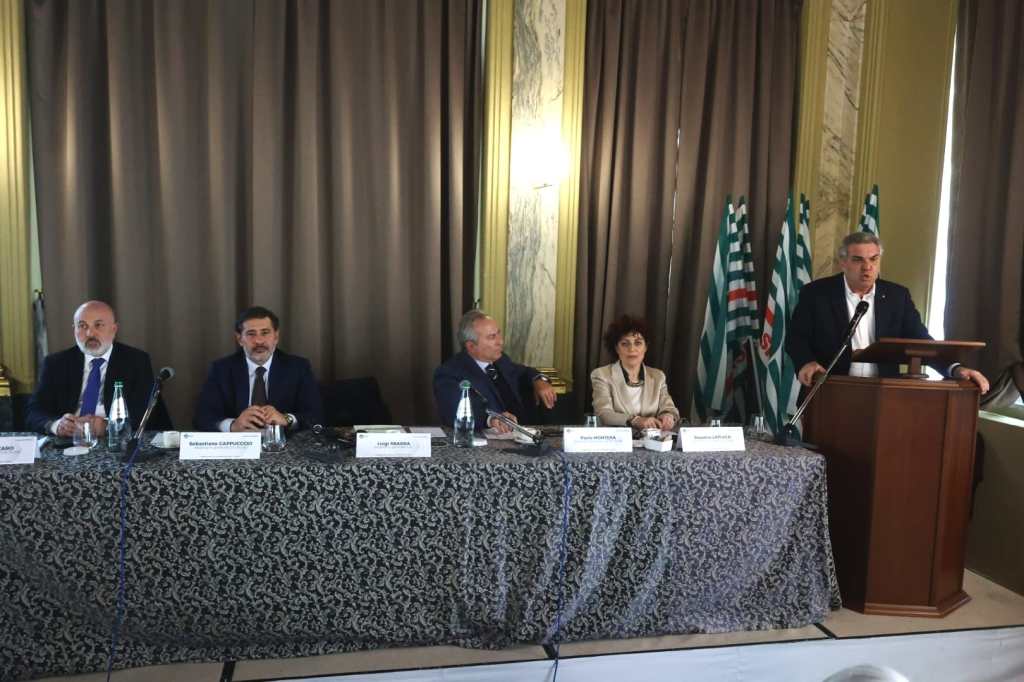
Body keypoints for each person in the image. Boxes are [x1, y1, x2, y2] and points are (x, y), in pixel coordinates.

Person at [787, 232, 989, 392]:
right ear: (843, 263)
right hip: (830, 389)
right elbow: (796, 338)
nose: (867, 267)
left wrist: (955, 369)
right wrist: (806, 363)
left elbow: (922, 343)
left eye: (873, 259)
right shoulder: (816, 294)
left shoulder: (897, 296)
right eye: (858, 260)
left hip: (883, 394)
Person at [26, 300, 173, 436]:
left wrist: (109, 426)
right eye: (82, 326)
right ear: (74, 329)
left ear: (114, 329)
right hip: (68, 442)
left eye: (98, 325)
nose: (90, 333)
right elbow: (34, 411)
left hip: (114, 441)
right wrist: (56, 425)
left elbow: (147, 412)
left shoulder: (136, 361)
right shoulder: (56, 363)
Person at [193, 306, 323, 432]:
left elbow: (317, 415)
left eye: (265, 333)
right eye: (251, 334)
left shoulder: (298, 368)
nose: (259, 341)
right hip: (239, 443)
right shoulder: (221, 369)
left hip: (284, 442)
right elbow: (202, 417)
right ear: (239, 339)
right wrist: (233, 426)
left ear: (276, 337)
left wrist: (286, 419)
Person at [433, 310, 557, 433]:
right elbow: (455, 410)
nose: (500, 342)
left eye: (498, 333)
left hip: (526, 433)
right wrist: (491, 419)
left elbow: (523, 372)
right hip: (488, 440)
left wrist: (539, 380)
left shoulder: (500, 359)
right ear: (471, 346)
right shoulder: (450, 373)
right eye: (492, 337)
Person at [590, 315, 679, 429]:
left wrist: (668, 416)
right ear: (616, 348)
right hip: (618, 438)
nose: (632, 349)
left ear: (645, 347)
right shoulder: (601, 375)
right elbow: (603, 413)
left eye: (638, 343)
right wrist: (635, 420)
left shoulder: (658, 376)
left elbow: (669, 408)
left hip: (653, 437)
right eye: (625, 344)